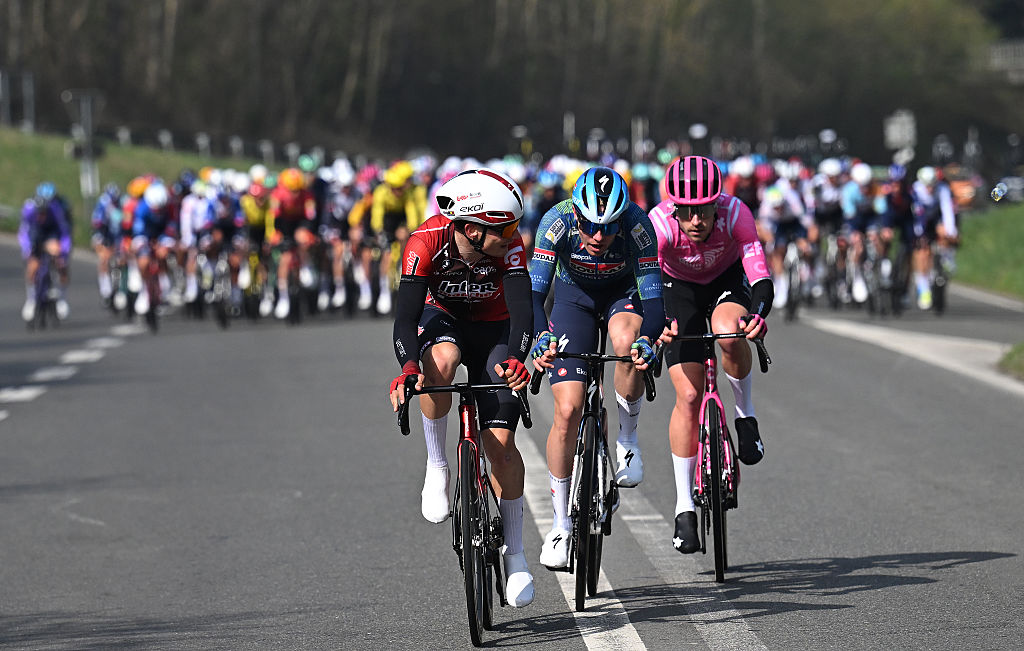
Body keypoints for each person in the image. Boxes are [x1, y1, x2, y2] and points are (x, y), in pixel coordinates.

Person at [388, 168, 536, 607]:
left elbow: (523, 310)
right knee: (442, 361)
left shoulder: (509, 248)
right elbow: (404, 318)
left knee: (502, 447)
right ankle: (437, 465)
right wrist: (409, 365)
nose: (513, 234)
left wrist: (516, 357)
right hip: (445, 322)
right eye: (505, 227)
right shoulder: (425, 242)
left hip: (495, 331)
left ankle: (516, 553)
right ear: (472, 228)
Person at [527, 166, 665, 570]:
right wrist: (539, 337)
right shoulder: (556, 222)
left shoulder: (639, 227)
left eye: (608, 228)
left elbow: (654, 307)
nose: (599, 236)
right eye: (589, 226)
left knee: (626, 342)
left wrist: (647, 341)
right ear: (577, 215)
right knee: (568, 410)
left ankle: (627, 439)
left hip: (622, 296)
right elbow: (535, 296)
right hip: (573, 300)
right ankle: (560, 524)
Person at [648, 156, 773, 554]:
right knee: (688, 396)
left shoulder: (737, 213)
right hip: (676, 288)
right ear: (674, 208)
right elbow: (644, 283)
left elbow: (759, 275)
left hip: (724, 282)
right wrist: (656, 324)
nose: (697, 220)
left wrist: (757, 314)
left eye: (704, 210)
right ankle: (684, 506)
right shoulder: (659, 225)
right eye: (688, 212)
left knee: (728, 333)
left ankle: (745, 415)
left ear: (717, 204)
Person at [19, 182, 73, 321]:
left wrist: (63, 252)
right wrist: (28, 249)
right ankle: (31, 300)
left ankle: (61, 298)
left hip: (51, 234)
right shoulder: (28, 210)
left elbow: (64, 232)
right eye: (40, 212)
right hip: (35, 235)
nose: (42, 215)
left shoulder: (55, 210)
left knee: (60, 263)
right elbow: (23, 233)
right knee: (33, 267)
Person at [910, 166, 958, 310]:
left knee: (945, 233)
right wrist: (920, 235)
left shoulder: (942, 189)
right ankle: (924, 289)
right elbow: (916, 217)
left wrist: (951, 232)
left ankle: (947, 258)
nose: (930, 189)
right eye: (927, 186)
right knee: (922, 253)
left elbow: (947, 211)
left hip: (936, 220)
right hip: (921, 222)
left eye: (932, 185)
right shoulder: (916, 191)